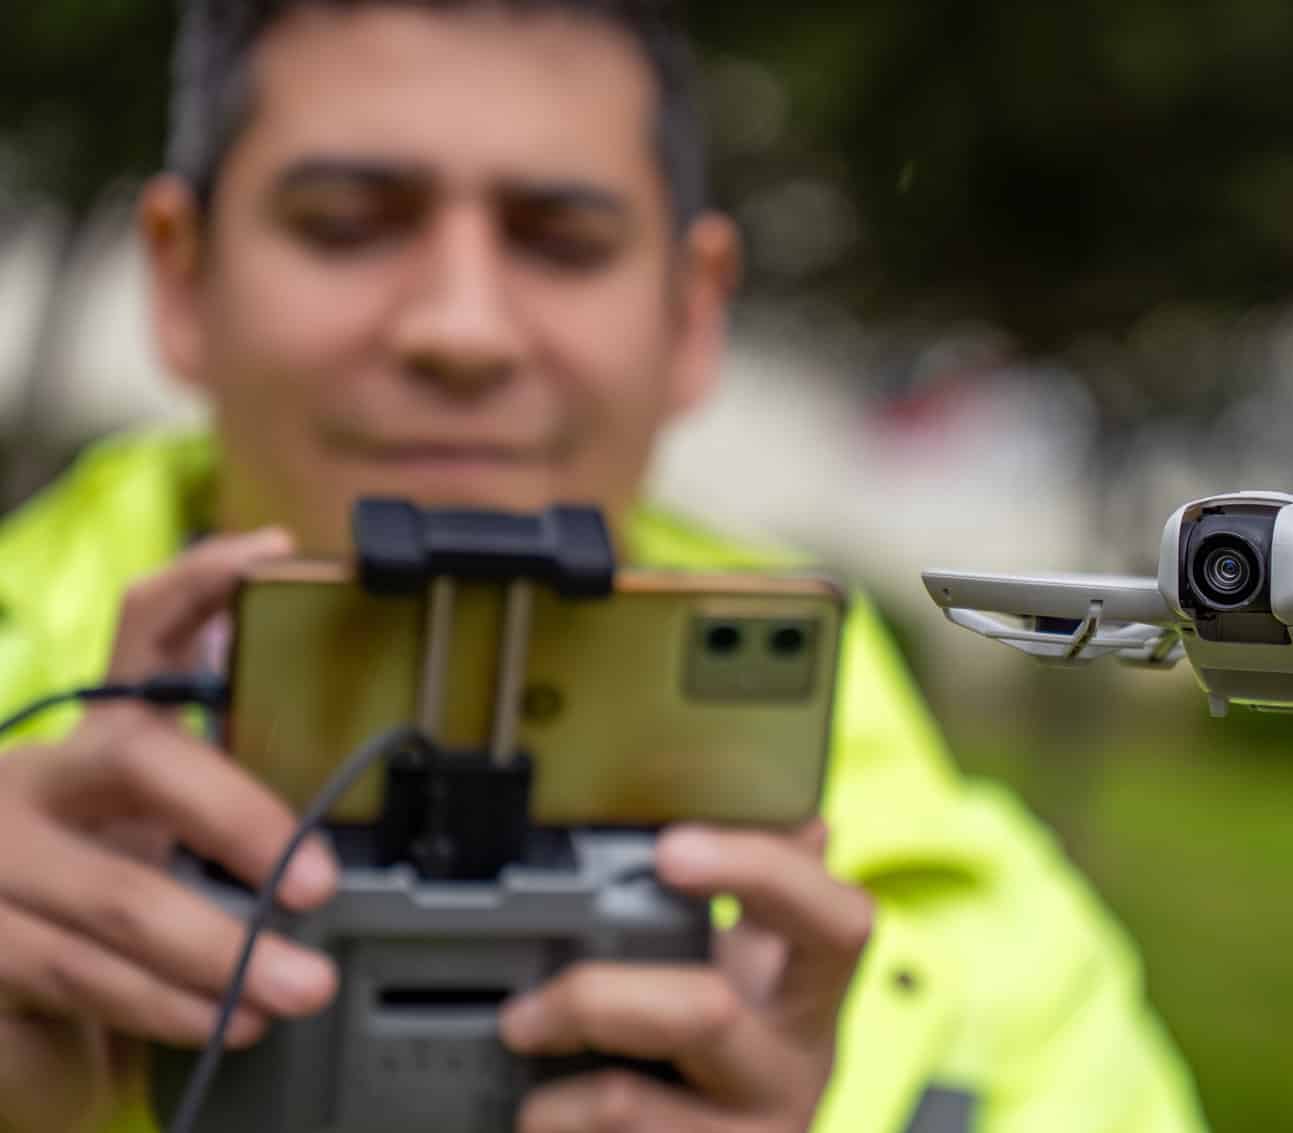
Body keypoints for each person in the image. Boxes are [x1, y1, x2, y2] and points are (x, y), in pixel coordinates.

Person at [0, 3, 1210, 1131]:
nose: (461, 328)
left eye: (562, 242)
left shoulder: (995, 952)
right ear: (180, 275)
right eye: (346, 226)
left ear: (691, 312)